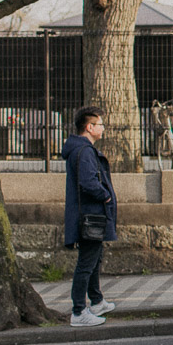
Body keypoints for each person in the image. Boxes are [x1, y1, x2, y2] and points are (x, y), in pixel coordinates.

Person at [62, 106, 118, 328]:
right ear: (90, 127)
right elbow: (88, 183)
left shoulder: (81, 149)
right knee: (86, 263)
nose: (103, 128)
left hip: (89, 215)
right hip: (90, 216)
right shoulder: (84, 151)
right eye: (100, 124)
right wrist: (105, 196)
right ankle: (78, 311)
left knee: (95, 259)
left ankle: (96, 301)